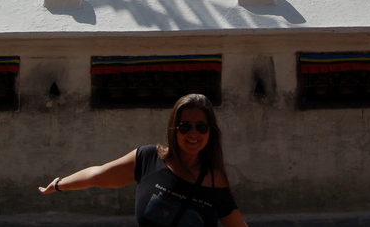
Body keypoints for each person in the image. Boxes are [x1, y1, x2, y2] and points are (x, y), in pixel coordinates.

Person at [38, 93, 248, 227]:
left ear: (210, 131)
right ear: (173, 130)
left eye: (201, 127)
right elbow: (98, 174)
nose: (193, 134)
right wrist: (58, 184)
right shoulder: (149, 159)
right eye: (185, 126)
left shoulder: (214, 180)